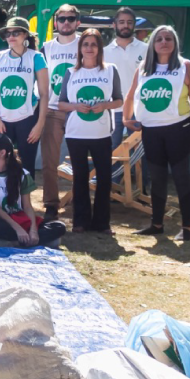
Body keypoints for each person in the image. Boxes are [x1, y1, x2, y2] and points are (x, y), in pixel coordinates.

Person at [121, 24, 190, 240]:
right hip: (151, 131)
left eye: (169, 38)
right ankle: (156, 224)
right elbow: (130, 95)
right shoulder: (143, 69)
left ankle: (186, 229)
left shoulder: (186, 67)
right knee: (157, 179)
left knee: (181, 177)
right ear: (153, 44)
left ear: (175, 43)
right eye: (159, 39)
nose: (164, 42)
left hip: (179, 129)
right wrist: (126, 118)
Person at [55, 28, 122, 234]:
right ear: (80, 48)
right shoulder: (71, 72)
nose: (89, 48)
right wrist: (75, 106)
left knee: (103, 178)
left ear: (99, 48)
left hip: (101, 134)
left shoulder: (110, 70)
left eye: (94, 44)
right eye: (86, 44)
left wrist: (105, 105)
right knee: (80, 178)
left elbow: (119, 100)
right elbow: (61, 104)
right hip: (76, 134)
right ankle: (80, 222)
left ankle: (102, 223)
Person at [0, 16, 50, 183]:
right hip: (1, 120)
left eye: (16, 32)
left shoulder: (36, 57)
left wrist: (40, 124)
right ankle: (2, 203)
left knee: (27, 167)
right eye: (8, 33)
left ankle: (24, 206)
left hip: (28, 120)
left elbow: (44, 94)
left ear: (25, 35)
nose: (11, 36)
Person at [0, 132, 66, 247]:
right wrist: (18, 229)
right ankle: (29, 241)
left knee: (59, 226)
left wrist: (33, 229)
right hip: (2, 221)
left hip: (21, 220)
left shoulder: (22, 174)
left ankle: (16, 242)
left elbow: (27, 206)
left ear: (2, 153)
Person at [38, 4, 83, 221]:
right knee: (50, 161)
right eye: (62, 18)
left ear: (78, 22)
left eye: (70, 18)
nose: (66, 22)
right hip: (52, 110)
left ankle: (79, 199)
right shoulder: (46, 48)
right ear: (55, 22)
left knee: (79, 159)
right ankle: (51, 203)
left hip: (79, 110)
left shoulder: (86, 43)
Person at [102, 7, 149, 146]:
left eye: (129, 22)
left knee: (141, 155)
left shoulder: (147, 49)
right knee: (112, 155)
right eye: (121, 22)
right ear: (114, 25)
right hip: (113, 109)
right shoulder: (103, 52)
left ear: (134, 25)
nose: (125, 26)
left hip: (139, 109)